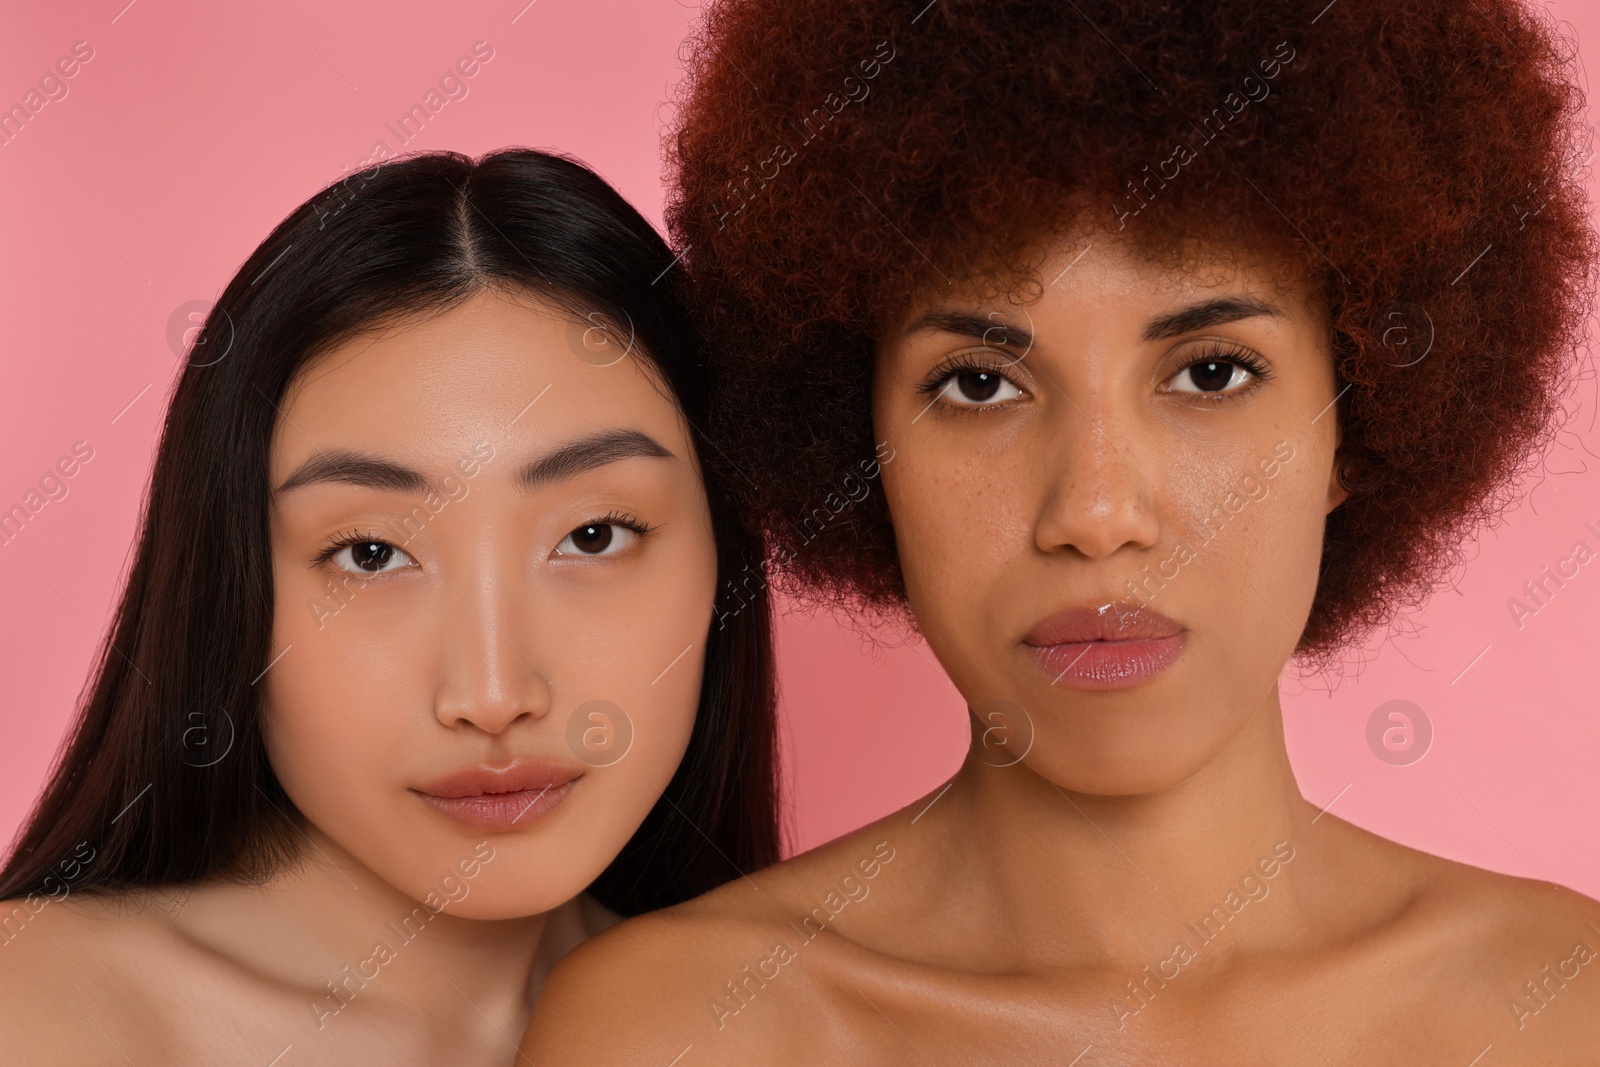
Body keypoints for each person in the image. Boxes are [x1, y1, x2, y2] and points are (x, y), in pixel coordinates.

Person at [522, 0, 1600, 1062]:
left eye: (1209, 371)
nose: (1093, 513)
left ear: (1353, 427)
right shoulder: (679, 1031)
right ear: (857, 440)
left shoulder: (1562, 1005)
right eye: (980, 383)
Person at [0, 148, 779, 1064]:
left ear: (723, 553)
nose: (492, 693)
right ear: (234, 590)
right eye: (371, 554)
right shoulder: (40, 1014)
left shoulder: (782, 1019)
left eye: (595, 536)